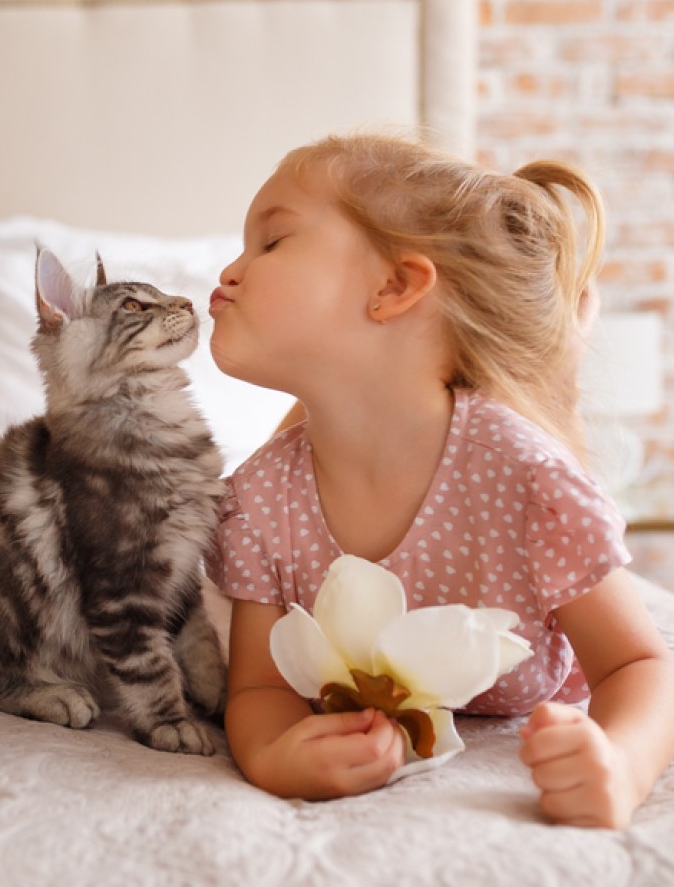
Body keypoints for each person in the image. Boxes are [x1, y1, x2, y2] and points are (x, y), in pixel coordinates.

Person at [205, 132, 674, 829]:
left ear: (395, 285)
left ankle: (558, 375)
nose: (231, 271)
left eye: (271, 243)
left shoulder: (527, 478)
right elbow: (259, 687)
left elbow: (639, 665)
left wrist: (622, 764)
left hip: (503, 448)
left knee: (540, 430)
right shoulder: (258, 499)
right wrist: (275, 752)